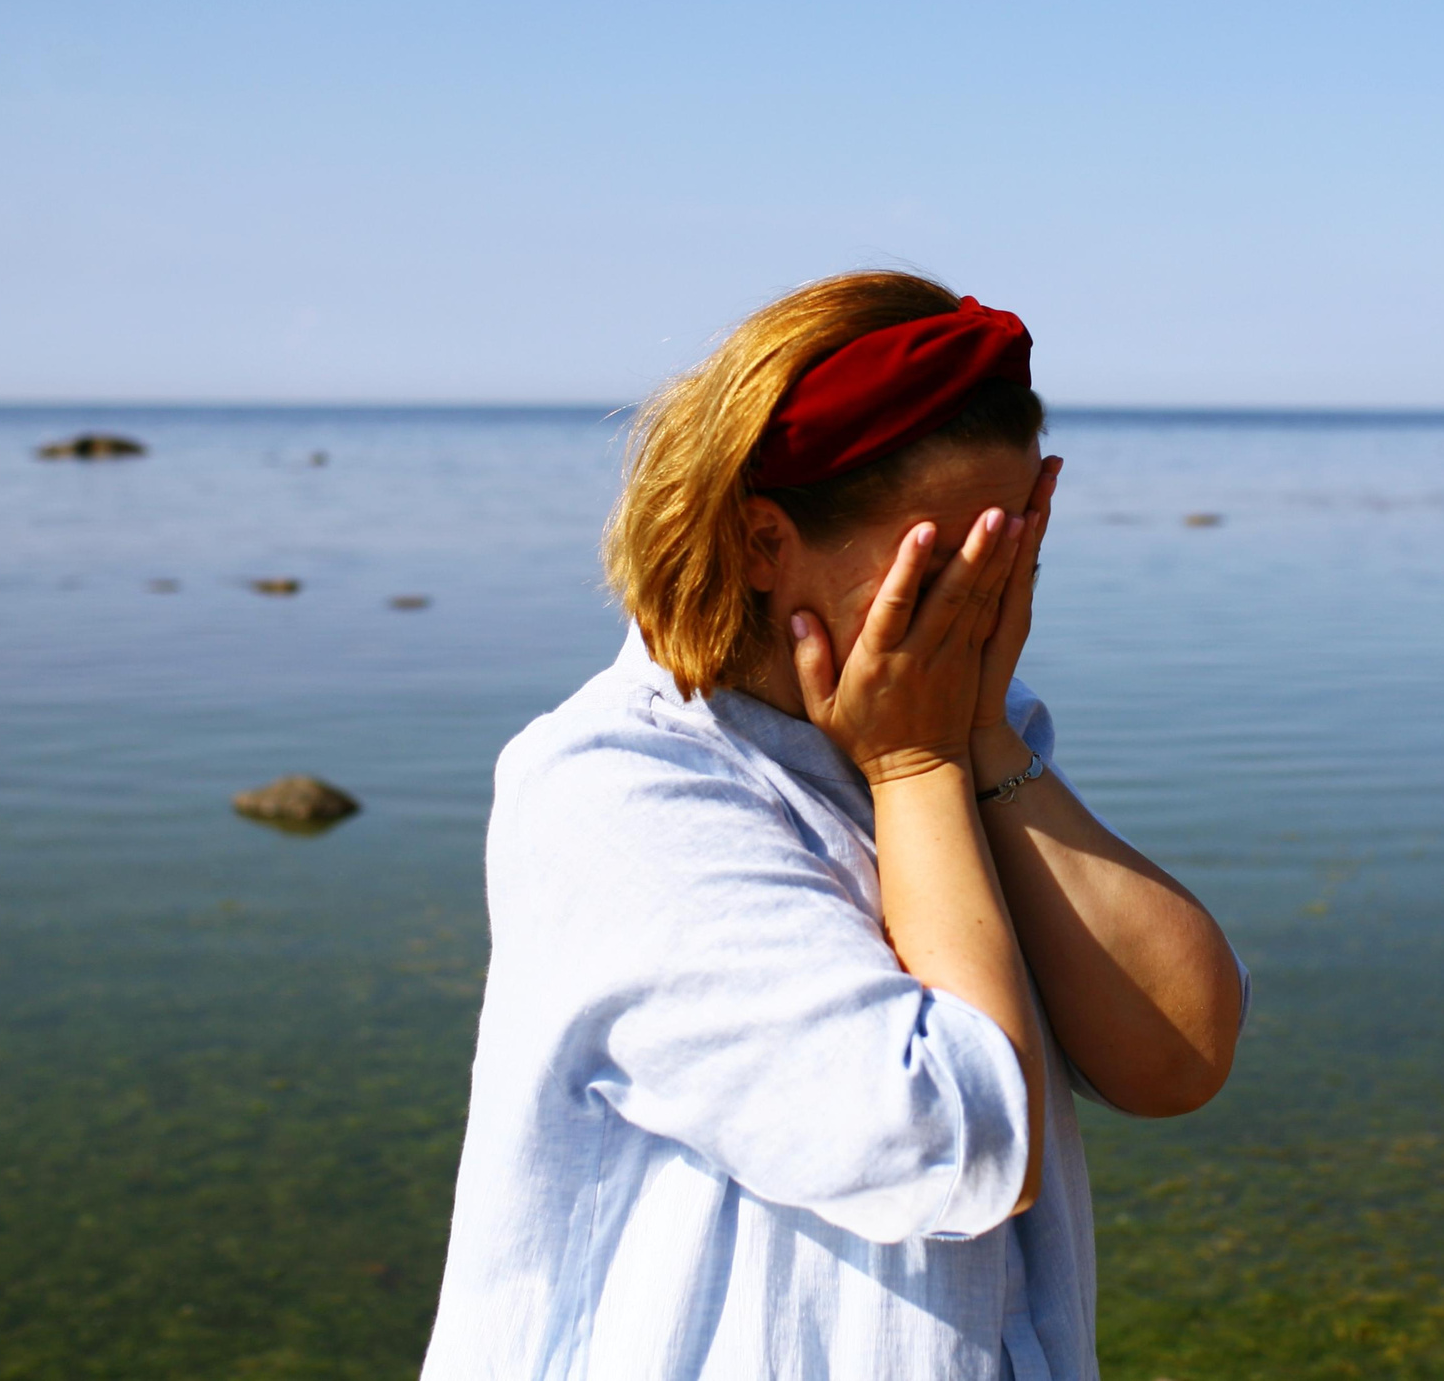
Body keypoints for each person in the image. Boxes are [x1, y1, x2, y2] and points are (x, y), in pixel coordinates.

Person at [420, 271, 1248, 1380]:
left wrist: (978, 753)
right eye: (942, 569)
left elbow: (1177, 1055)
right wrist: (912, 767)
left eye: (1013, 562)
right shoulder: (618, 786)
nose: (984, 610)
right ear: (765, 544)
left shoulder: (958, 738)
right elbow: (957, 1143)